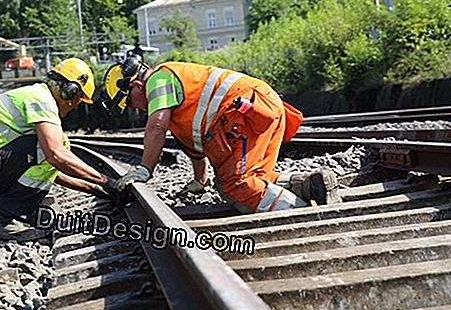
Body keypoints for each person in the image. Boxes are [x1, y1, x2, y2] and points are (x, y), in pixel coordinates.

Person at [102, 55, 341, 214]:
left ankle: (300, 213)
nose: (136, 108)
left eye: (130, 103)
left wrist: (145, 169)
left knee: (234, 185)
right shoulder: (178, 109)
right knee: (259, 176)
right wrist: (199, 182)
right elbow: (196, 152)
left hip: (245, 114)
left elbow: (156, 126)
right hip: (262, 107)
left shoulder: (159, 79)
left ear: (135, 87)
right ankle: (311, 185)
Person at [0, 58, 112, 241]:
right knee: (54, 147)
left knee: (53, 147)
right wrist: (106, 181)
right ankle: (3, 221)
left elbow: (49, 171)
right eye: (79, 99)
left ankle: (24, 212)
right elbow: (55, 156)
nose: (76, 106)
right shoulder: (41, 101)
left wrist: (95, 189)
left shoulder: (36, 95)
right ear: (70, 91)